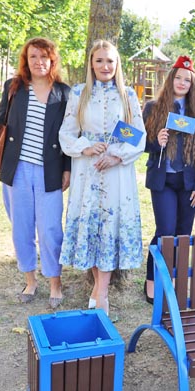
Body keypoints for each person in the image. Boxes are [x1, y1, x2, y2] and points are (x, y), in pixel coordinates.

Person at [0, 37, 71, 309]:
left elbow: (71, 133)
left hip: (50, 170)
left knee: (50, 230)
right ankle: (30, 280)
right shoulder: (14, 88)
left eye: (44, 56)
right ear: (26, 60)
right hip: (17, 170)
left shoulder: (64, 93)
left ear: (52, 60)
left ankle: (55, 282)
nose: (39, 62)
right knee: (21, 228)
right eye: (33, 56)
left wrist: (67, 169)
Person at [58, 40, 146, 314]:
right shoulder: (79, 93)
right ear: (91, 64)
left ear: (117, 64)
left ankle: (102, 294)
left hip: (117, 174)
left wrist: (117, 155)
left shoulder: (127, 95)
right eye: (99, 61)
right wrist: (85, 147)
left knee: (109, 227)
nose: (105, 66)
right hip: (88, 172)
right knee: (92, 228)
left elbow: (137, 135)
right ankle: (98, 289)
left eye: (110, 61)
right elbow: (66, 133)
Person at [142, 56, 195, 303]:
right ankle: (151, 280)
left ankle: (172, 280)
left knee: (183, 233)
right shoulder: (153, 107)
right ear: (171, 79)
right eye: (178, 78)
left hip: (188, 181)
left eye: (187, 80)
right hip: (163, 181)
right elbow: (142, 144)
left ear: (192, 85)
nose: (182, 83)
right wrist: (156, 142)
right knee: (165, 231)